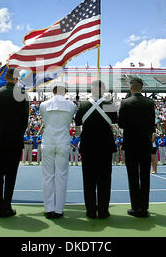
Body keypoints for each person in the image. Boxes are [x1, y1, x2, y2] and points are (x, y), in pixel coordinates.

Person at [0, 67, 29, 218]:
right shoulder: (22, 94)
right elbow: (25, 119)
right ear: (16, 79)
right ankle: (6, 207)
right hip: (14, 138)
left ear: (6, 78)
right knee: (11, 175)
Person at [75, 80, 118, 219]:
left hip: (88, 146)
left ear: (91, 89)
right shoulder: (109, 104)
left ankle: (91, 211)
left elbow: (77, 122)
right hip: (105, 146)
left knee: (88, 181)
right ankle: (104, 211)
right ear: (103, 90)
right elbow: (115, 120)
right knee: (105, 180)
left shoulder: (83, 104)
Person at [118, 77, 155, 218]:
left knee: (133, 176)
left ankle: (135, 207)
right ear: (142, 87)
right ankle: (144, 208)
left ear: (131, 88)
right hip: (145, 144)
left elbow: (121, 124)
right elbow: (152, 125)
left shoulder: (125, 103)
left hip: (131, 144)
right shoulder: (150, 103)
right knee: (145, 176)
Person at [39, 81, 76, 219]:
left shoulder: (44, 105)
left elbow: (44, 118)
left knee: (48, 175)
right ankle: (59, 210)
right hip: (63, 141)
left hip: (48, 141)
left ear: (53, 91)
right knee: (61, 176)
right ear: (64, 91)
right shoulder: (71, 105)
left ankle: (49, 209)